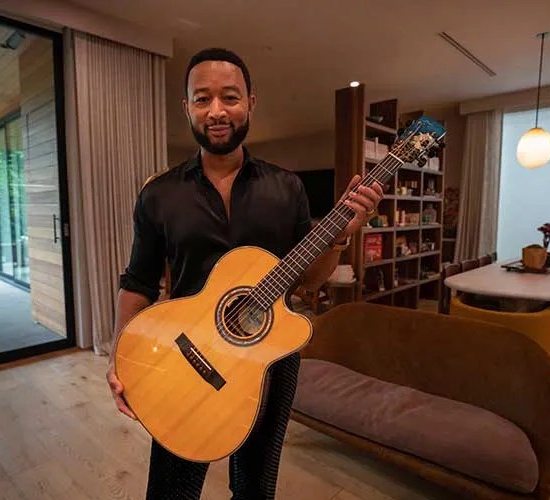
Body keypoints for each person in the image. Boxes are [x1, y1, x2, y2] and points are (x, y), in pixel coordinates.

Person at [107, 47, 383, 499]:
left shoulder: (287, 187)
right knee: (170, 490)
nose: (217, 111)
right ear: (187, 108)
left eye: (230, 97)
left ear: (251, 102)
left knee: (256, 487)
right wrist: (122, 358)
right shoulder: (158, 194)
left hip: (269, 356)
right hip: (184, 355)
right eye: (202, 99)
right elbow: (137, 281)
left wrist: (340, 235)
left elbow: (308, 282)